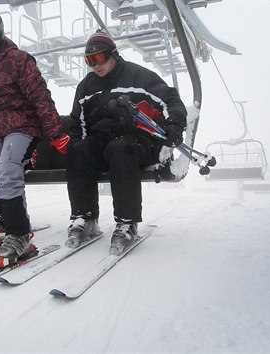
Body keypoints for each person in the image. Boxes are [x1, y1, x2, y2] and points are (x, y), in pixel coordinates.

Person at [0, 5, 69, 269]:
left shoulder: (19, 61)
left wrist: (56, 133)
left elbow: (41, 98)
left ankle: (17, 234)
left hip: (22, 127)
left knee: (6, 171)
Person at [65, 30, 187, 255]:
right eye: (90, 61)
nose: (96, 65)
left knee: (121, 148)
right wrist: (78, 146)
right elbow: (77, 123)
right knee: (79, 150)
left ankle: (126, 222)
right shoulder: (86, 87)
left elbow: (170, 99)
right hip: (102, 143)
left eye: (100, 58)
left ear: (113, 54)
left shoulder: (138, 77)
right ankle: (85, 217)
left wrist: (175, 125)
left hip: (138, 141)